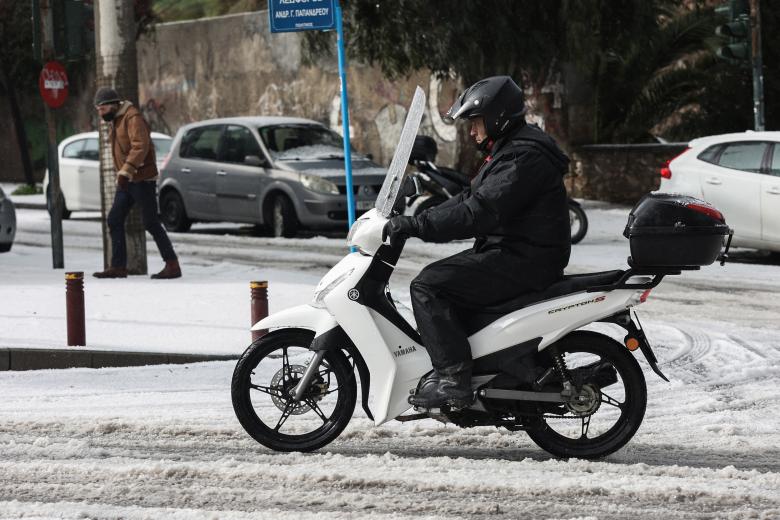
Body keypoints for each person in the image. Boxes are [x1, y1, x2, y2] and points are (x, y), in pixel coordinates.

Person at [382, 76, 571, 409]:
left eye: (476, 122)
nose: (471, 131)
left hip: (524, 258)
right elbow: (468, 199)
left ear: (498, 117)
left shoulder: (522, 158)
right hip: (517, 251)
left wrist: (416, 225)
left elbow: (479, 212)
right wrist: (413, 220)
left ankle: (453, 379)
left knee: (429, 286)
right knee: (447, 283)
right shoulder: (512, 151)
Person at [92, 87, 181, 279]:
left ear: (113, 105)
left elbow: (141, 145)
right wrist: (124, 174)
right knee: (115, 219)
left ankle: (172, 265)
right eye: (98, 109)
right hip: (128, 180)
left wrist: (127, 170)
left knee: (151, 222)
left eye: (102, 108)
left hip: (141, 179)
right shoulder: (117, 120)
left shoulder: (133, 118)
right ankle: (118, 267)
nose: (100, 113)